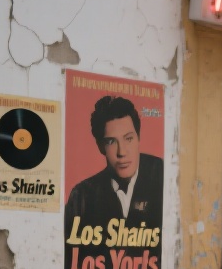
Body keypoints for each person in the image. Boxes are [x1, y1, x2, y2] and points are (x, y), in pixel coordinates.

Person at [65, 95, 164, 236]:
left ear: (138, 138)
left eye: (128, 138)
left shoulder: (165, 175)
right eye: (111, 142)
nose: (121, 152)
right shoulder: (81, 197)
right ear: (100, 146)